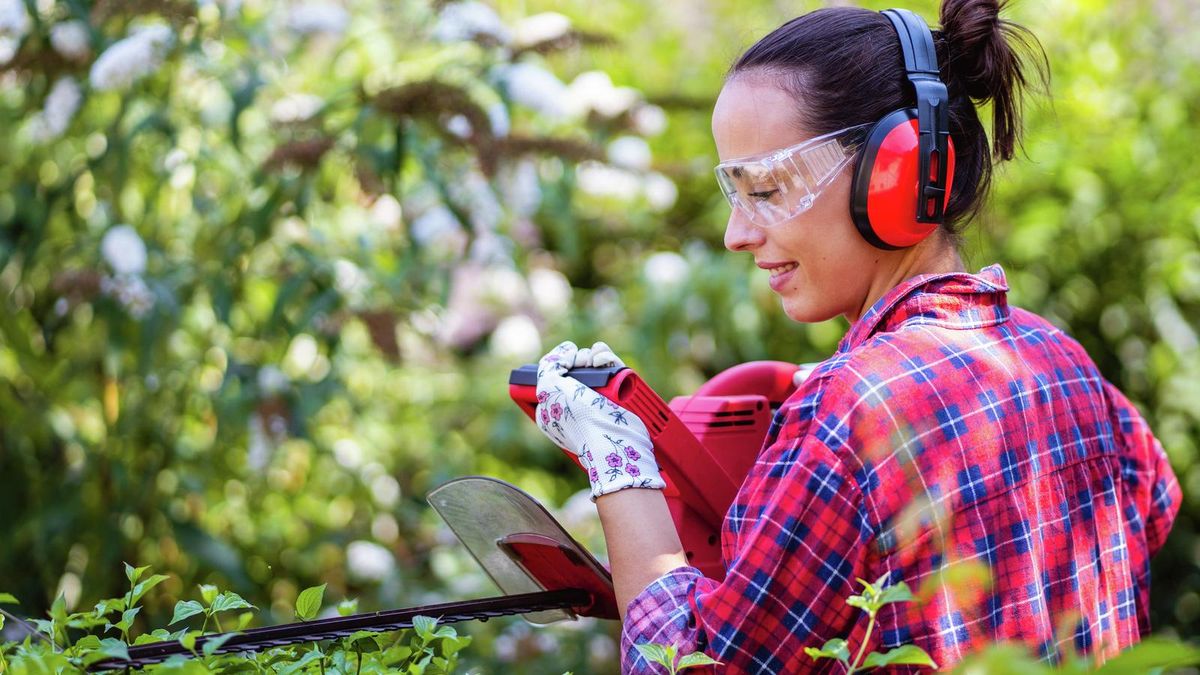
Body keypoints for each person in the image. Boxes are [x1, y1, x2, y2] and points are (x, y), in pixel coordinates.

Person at [533, 0, 1180, 672]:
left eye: (767, 189)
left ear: (900, 172)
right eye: (735, 192)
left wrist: (620, 464)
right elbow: (1155, 503)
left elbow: (683, 664)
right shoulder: (1059, 358)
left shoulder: (847, 415)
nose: (737, 234)